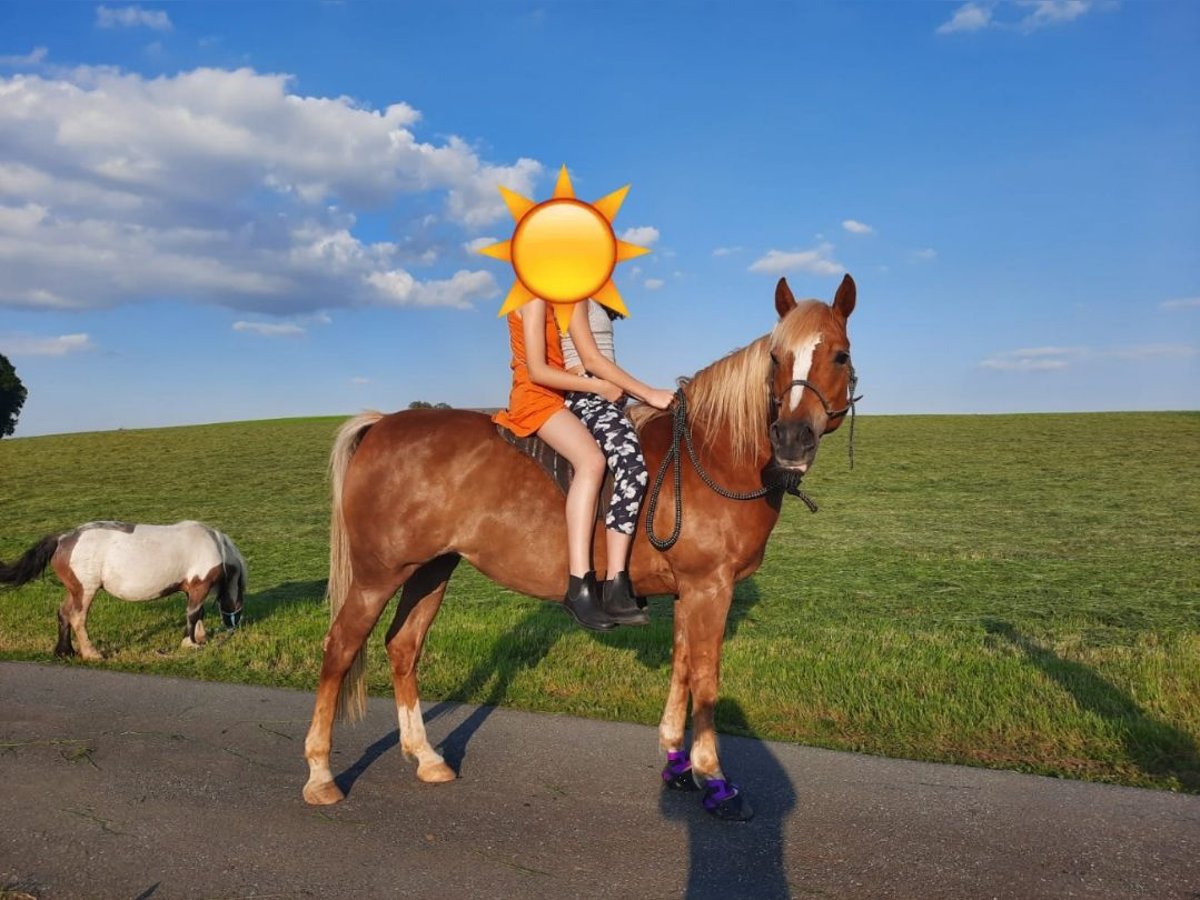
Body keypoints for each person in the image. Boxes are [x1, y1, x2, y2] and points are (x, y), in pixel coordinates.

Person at [493, 299, 626, 631]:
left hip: (555, 395)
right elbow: (537, 370)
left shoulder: (551, 299)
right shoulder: (534, 297)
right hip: (536, 398)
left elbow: (555, 359)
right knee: (591, 461)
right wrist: (599, 385)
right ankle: (579, 583)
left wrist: (581, 373)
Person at [560, 299, 675, 626]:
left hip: (606, 397)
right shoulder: (572, 296)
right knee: (631, 465)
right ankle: (615, 583)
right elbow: (592, 358)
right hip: (586, 394)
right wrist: (647, 393)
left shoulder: (592, 297)